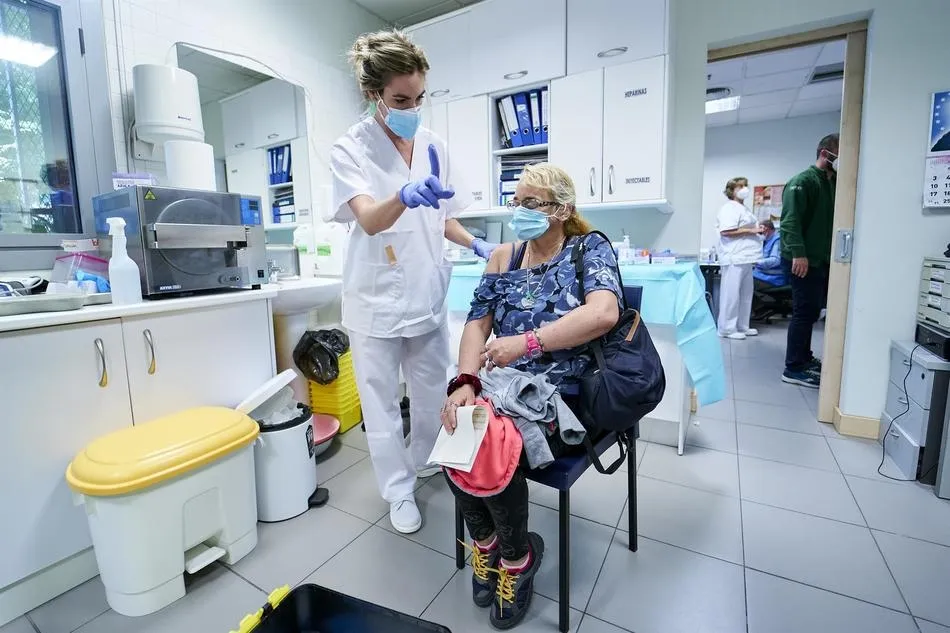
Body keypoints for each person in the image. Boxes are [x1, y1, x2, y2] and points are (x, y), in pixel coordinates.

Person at [329, 30, 499, 535]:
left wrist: (476, 245)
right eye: (401, 99)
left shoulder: (433, 144)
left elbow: (441, 214)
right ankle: (398, 492)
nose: (413, 108)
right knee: (380, 405)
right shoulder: (350, 149)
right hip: (374, 301)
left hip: (425, 293)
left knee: (431, 395)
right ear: (373, 94)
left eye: (419, 97)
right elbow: (370, 220)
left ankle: (424, 460)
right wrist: (404, 194)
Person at [440, 163, 622, 629]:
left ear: (561, 210)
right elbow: (476, 324)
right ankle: (488, 544)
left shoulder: (588, 248)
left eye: (530, 203)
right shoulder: (502, 257)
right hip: (501, 392)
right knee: (453, 426)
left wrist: (527, 343)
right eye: (515, 201)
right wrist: (465, 382)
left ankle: (518, 561)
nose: (518, 210)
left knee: (488, 443)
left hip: (565, 397)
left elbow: (603, 314)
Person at [780, 133, 838, 388]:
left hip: (821, 259)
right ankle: (793, 367)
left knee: (813, 311)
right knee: (804, 312)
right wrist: (798, 253)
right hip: (801, 259)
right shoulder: (802, 182)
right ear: (825, 153)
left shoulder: (834, 183)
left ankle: (804, 357)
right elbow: (790, 221)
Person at [716, 176, 763, 340]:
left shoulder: (744, 209)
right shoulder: (729, 208)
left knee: (745, 294)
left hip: (746, 258)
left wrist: (757, 229)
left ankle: (742, 326)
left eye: (745, 185)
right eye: (740, 186)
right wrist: (751, 231)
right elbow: (726, 231)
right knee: (731, 295)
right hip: (734, 258)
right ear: (731, 190)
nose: (744, 189)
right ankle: (726, 329)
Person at [753, 220, 787, 288]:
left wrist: (754, 262)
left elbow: (776, 260)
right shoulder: (767, 240)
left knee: (745, 282)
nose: (757, 234)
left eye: (758, 231)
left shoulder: (778, 240)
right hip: (762, 274)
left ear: (765, 229)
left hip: (774, 278)